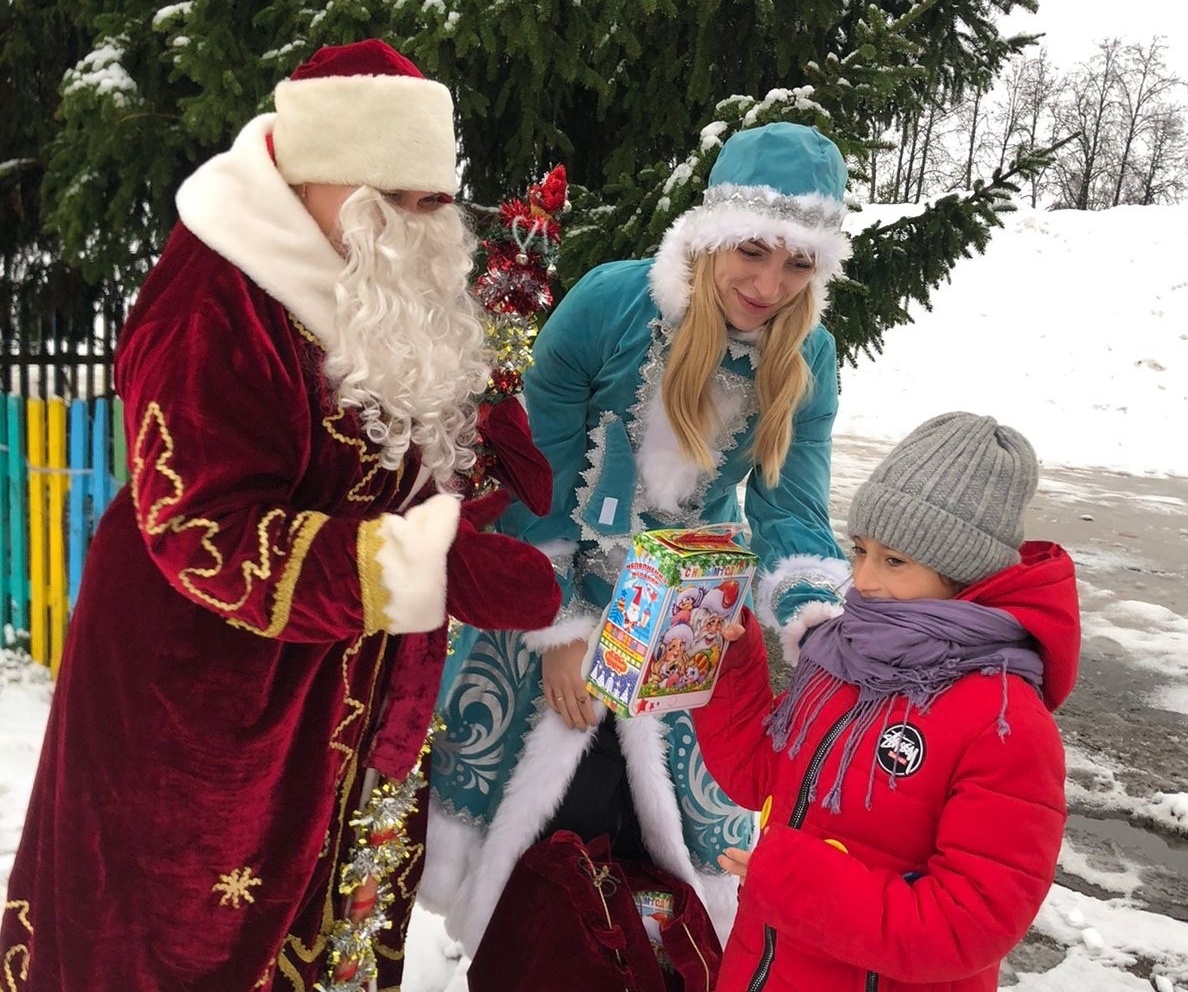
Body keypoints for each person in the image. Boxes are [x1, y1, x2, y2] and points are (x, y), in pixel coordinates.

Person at [0, 39, 559, 992]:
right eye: (405, 200)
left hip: (358, 683)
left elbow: (380, 448)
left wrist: (470, 447)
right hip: (209, 696)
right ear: (318, 175)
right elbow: (202, 530)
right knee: (182, 941)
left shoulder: (373, 271)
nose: (429, 226)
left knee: (335, 917)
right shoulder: (214, 299)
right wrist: (431, 569)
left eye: (437, 200)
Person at [421, 122, 856, 953]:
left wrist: (815, 622)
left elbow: (790, 510)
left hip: (682, 611)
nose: (769, 284)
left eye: (798, 264)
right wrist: (560, 633)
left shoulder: (810, 356)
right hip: (555, 587)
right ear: (714, 235)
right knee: (546, 840)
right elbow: (532, 475)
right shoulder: (612, 304)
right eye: (754, 253)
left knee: (658, 848)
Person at [692, 412, 1082, 992]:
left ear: (962, 569)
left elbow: (965, 927)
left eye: (894, 560)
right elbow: (760, 779)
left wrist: (797, 883)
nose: (865, 581)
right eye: (860, 550)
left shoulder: (1005, 722)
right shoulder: (844, 656)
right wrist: (727, 668)